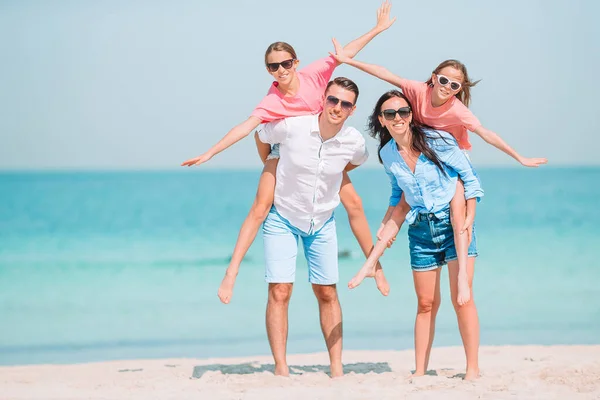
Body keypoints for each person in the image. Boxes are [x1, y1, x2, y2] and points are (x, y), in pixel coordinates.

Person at [181, 2, 397, 303]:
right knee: (259, 209)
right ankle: (231, 272)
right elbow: (248, 129)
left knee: (355, 204)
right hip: (283, 150)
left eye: (285, 64)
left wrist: (376, 29)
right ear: (268, 69)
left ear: (295, 63)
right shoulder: (271, 100)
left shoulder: (314, 76)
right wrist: (211, 153)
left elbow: (345, 54)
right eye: (273, 66)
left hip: (323, 150)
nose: (280, 70)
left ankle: (376, 267)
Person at [329, 41, 547, 305]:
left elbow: (486, 134)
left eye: (455, 86)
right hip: (421, 154)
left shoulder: (457, 109)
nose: (447, 88)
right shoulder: (417, 91)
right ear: (434, 78)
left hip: (451, 158)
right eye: (444, 80)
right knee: (399, 208)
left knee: (459, 214)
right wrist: (347, 61)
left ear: (459, 90)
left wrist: (519, 157)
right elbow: (382, 72)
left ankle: (462, 280)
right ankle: (370, 266)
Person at [363, 90, 484, 379]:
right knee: (426, 303)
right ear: (381, 120)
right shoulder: (387, 153)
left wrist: (468, 217)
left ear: (411, 114)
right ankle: (419, 371)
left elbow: (470, 178)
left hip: (452, 224)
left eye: (403, 112)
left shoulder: (437, 140)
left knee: (462, 298)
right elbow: (397, 192)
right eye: (390, 114)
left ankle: (473, 369)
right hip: (420, 230)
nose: (398, 118)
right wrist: (385, 220)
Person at [257, 77, 367, 378]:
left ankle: (336, 368)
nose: (337, 107)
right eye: (333, 100)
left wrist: (331, 173)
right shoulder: (294, 126)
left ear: (352, 109)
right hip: (283, 216)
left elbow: (357, 160)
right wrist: (270, 164)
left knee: (327, 292)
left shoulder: (354, 141)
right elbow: (261, 133)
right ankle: (281, 367)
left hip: (322, 220)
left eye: (345, 104)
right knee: (280, 290)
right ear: (323, 99)